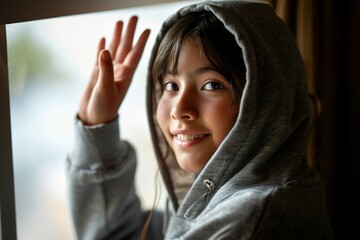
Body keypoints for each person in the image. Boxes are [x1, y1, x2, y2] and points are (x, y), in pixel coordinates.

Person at [66, 1, 334, 239]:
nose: (180, 109)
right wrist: (96, 123)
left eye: (212, 85)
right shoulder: (219, 201)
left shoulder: (251, 222)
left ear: (266, 98)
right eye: (171, 85)